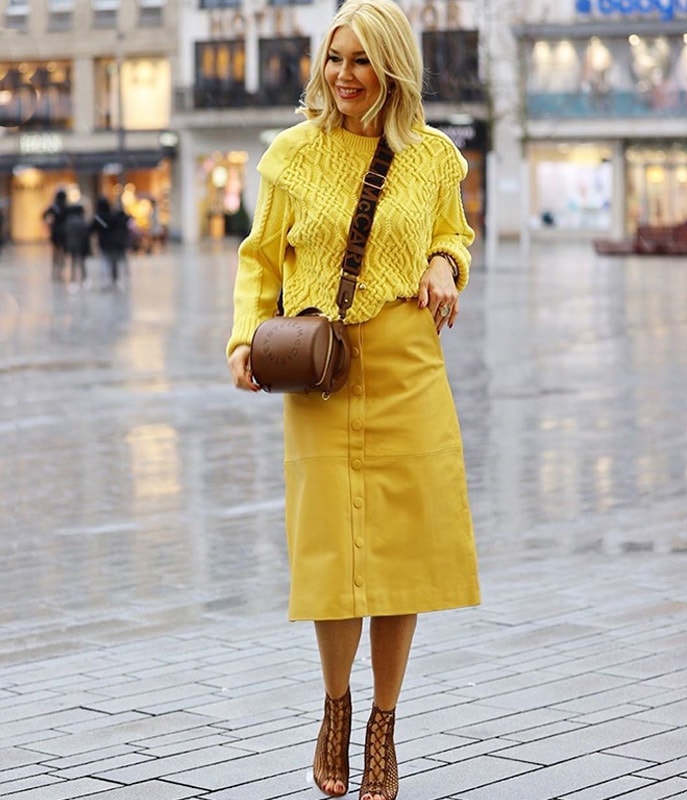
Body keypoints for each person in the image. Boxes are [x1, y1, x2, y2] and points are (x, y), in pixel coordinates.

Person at [226, 1, 480, 798]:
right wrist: (243, 337)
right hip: (321, 369)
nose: (344, 76)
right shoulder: (291, 156)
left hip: (408, 366)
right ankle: (334, 706)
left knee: (400, 557)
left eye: (362, 61)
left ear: (393, 68)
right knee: (332, 552)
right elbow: (259, 257)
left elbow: (454, 234)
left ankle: (383, 725)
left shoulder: (433, 156)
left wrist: (445, 263)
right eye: (335, 59)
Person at [90, 196, 131, 288]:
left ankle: (106, 281)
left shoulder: (99, 218)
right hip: (117, 243)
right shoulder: (114, 216)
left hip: (105, 244)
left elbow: (91, 229)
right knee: (115, 262)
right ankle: (115, 280)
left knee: (105, 262)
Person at [42, 188, 68, 279]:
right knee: (63, 250)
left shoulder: (53, 206)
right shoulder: (67, 206)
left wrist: (49, 223)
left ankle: (55, 268)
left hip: (55, 231)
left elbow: (44, 215)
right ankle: (61, 267)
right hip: (65, 232)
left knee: (55, 251)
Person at [63, 203, 90, 286]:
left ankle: (73, 278)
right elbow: (85, 235)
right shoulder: (82, 221)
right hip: (81, 244)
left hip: (71, 244)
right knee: (82, 262)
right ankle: (84, 278)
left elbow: (65, 234)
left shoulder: (69, 221)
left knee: (73, 262)